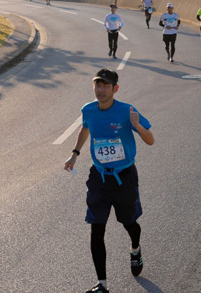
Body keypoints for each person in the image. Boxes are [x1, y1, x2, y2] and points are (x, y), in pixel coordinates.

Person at [64, 69, 155, 293]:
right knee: (96, 228)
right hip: (99, 177)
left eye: (105, 86)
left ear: (115, 89)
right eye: (97, 85)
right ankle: (102, 284)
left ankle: (135, 249)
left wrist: (138, 125)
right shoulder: (88, 110)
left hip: (124, 177)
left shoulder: (127, 111)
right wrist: (75, 154)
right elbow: (86, 127)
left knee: (129, 223)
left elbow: (150, 140)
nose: (101, 90)